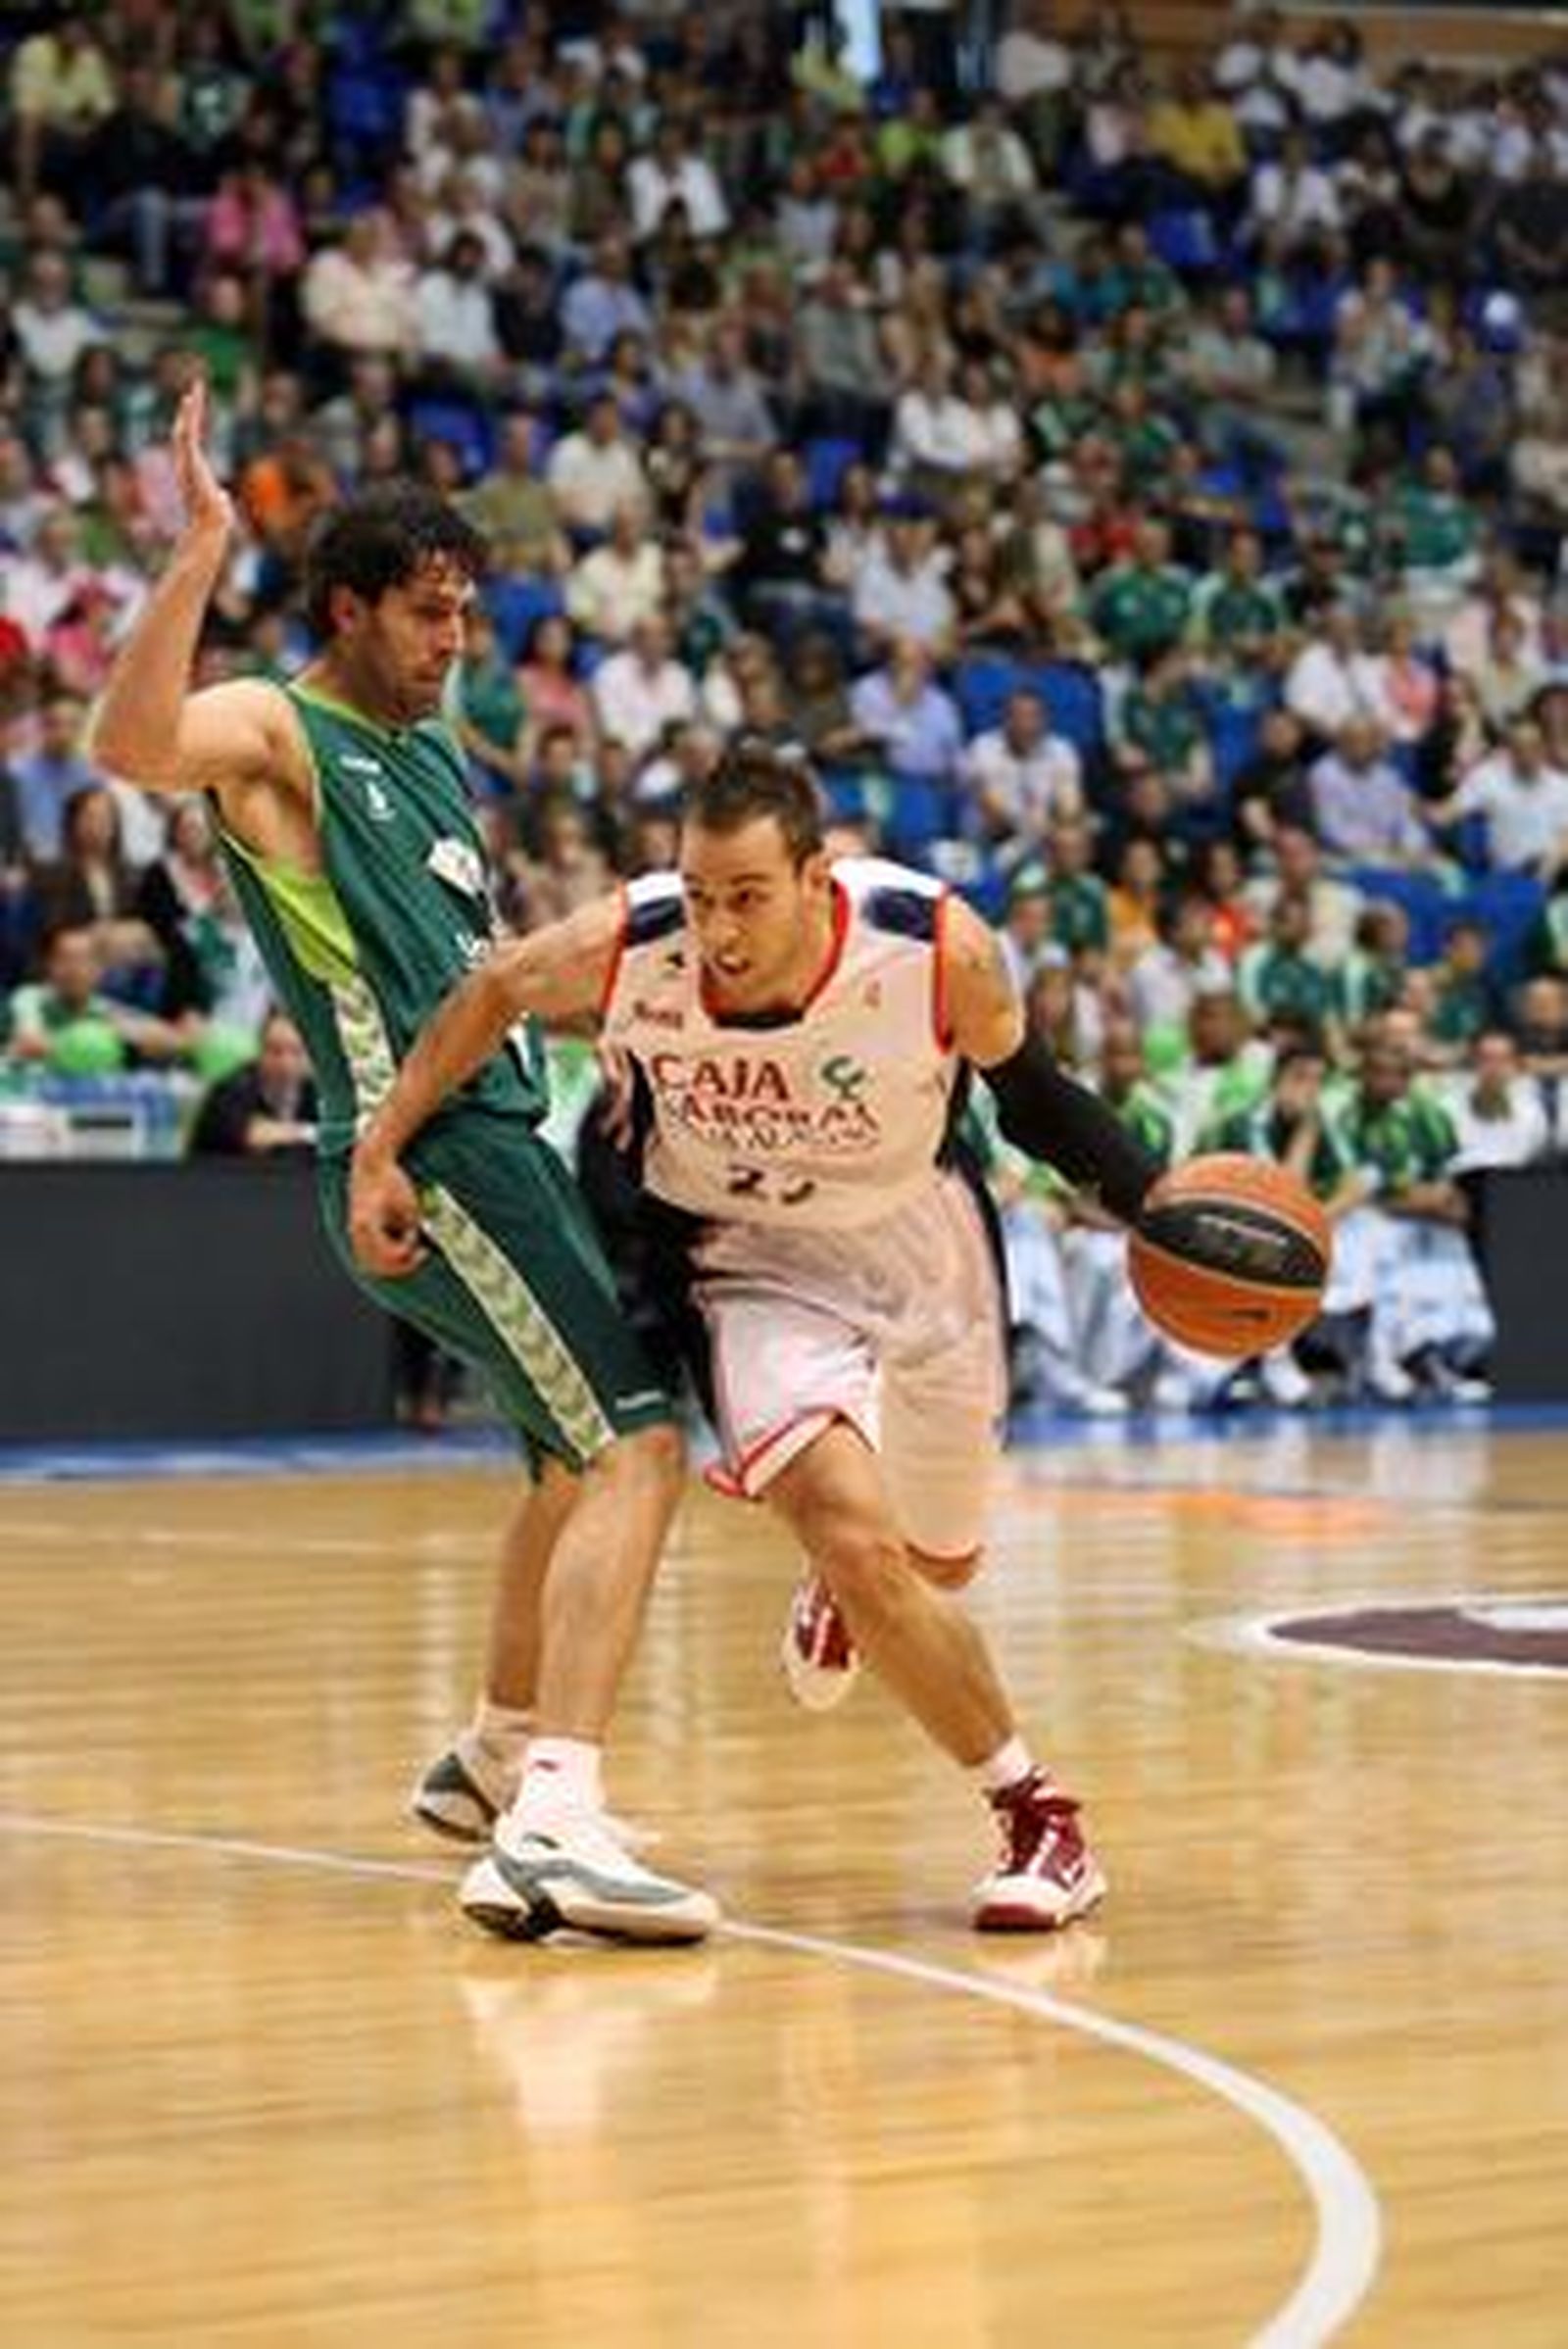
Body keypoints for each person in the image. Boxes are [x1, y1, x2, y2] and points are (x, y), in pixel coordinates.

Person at [89, 382, 716, 1948]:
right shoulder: (281, 733)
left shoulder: (432, 751)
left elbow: (472, 964)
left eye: (464, 617)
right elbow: (131, 739)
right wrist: (205, 548)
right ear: (348, 609)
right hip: (431, 1156)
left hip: (499, 1130)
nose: (452, 642)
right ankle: (557, 1819)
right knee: (641, 1451)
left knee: (572, 1464)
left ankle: (499, 1757)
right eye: (426, 615)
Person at [350, 742, 1163, 1935]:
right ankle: (1038, 1818)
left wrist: (1159, 1202)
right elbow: (489, 994)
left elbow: (1034, 1099)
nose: (719, 928)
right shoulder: (630, 947)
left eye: (747, 897)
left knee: (937, 1566)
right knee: (856, 1542)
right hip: (748, 1263)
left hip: (921, 1241)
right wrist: (381, 1144)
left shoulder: (932, 945)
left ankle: (852, 1597)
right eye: (701, 895)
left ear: (817, 881)